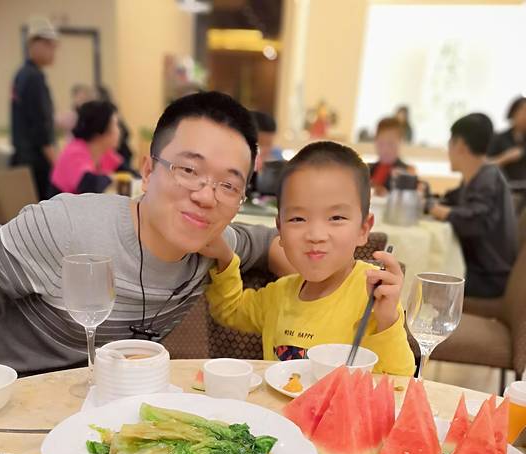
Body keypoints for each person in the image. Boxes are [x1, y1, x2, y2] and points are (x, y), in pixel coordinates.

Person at [0, 91, 291, 375]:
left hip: (100, 418)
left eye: (228, 185)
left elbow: (274, 244)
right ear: (147, 172)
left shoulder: (214, 244)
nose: (206, 197)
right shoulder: (65, 226)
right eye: (188, 170)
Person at [204, 141, 415, 375]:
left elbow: (401, 380)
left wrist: (388, 320)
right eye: (298, 219)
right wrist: (225, 258)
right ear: (280, 230)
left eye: (336, 218)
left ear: (363, 229)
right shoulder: (279, 294)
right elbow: (230, 310)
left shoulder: (371, 296)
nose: (315, 235)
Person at [430, 113, 518, 299]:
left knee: (421, 273)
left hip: (488, 277)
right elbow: (452, 201)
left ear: (460, 145)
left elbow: (474, 221)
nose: (448, 151)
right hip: (479, 270)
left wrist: (435, 209)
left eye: (450, 143)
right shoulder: (478, 177)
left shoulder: (488, 178)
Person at [10, 16, 58, 200]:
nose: (54, 52)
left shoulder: (22, 74)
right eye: (50, 46)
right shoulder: (34, 78)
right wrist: (55, 161)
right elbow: (40, 126)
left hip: (23, 159)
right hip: (36, 163)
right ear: (35, 44)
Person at [50, 101, 122, 195]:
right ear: (100, 131)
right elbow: (89, 185)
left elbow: (129, 173)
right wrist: (112, 178)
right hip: (60, 203)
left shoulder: (104, 152)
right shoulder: (75, 151)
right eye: (116, 125)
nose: (119, 131)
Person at [369, 117, 412, 195]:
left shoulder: (408, 172)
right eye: (381, 143)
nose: (385, 149)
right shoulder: (366, 170)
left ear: (400, 142)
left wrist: (388, 196)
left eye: (391, 144)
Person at [488, 96, 526, 185]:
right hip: (505, 188)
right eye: (523, 111)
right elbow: (485, 167)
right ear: (513, 113)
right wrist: (504, 158)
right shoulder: (498, 138)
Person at [97, 86, 135, 174]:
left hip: (123, 152)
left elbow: (129, 172)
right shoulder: (81, 152)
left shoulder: (108, 153)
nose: (118, 131)